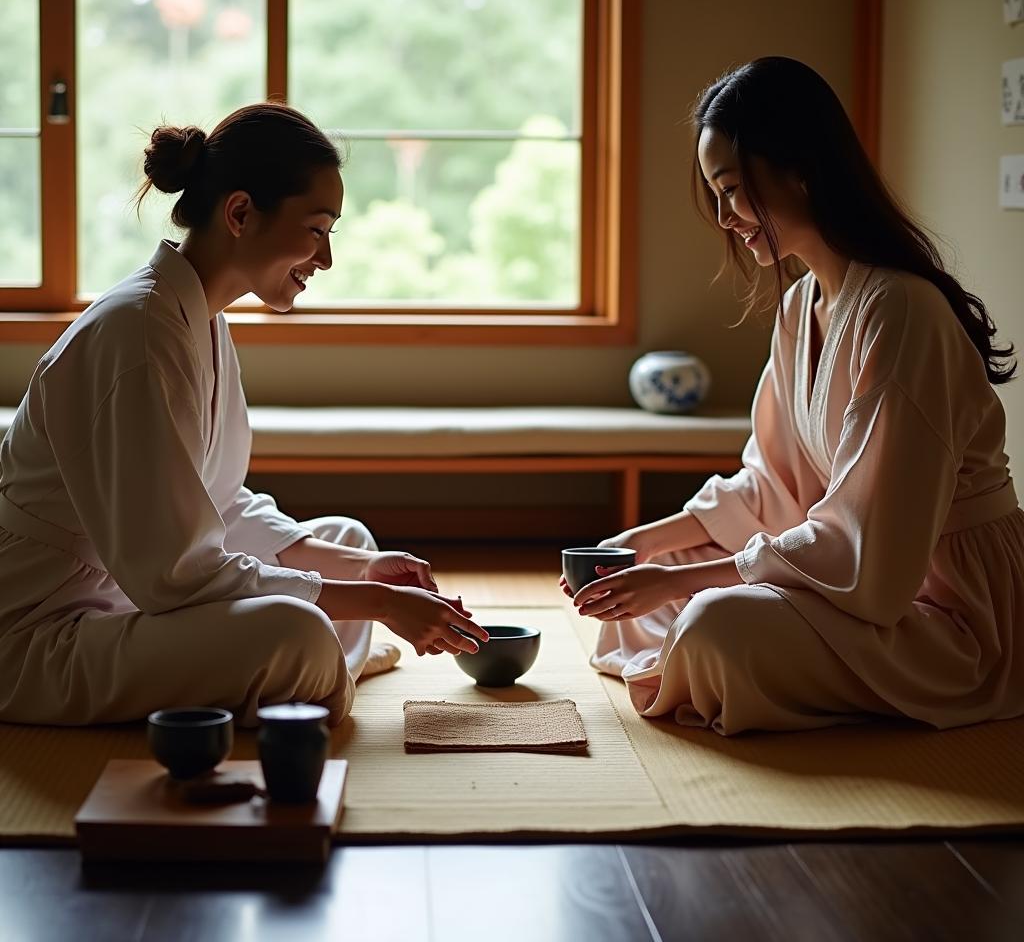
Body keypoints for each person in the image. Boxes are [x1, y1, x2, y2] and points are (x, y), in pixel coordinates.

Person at [567, 56, 1024, 735]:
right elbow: (770, 489)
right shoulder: (801, 305)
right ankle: (695, 640)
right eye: (715, 194)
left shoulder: (902, 312)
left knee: (713, 622)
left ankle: (707, 652)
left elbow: (869, 549)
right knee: (661, 599)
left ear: (800, 169)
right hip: (862, 575)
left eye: (731, 188)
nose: (725, 217)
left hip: (945, 611)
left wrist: (678, 582)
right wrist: (639, 550)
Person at [0, 102, 487, 727]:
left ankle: (308, 676)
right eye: (316, 230)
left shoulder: (196, 318)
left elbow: (218, 506)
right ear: (239, 213)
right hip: (44, 634)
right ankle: (314, 671)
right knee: (298, 634)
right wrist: (371, 600)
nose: (326, 259)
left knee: (349, 539)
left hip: (131, 599)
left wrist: (365, 573)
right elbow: (179, 574)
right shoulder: (138, 332)